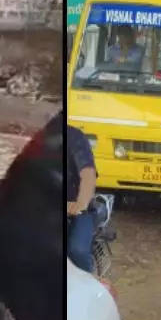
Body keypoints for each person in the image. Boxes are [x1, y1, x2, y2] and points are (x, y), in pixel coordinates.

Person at [66, 112, 98, 273]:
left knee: (77, 250)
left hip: (78, 211)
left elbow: (87, 174)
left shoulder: (75, 138)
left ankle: (88, 287)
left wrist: (81, 203)